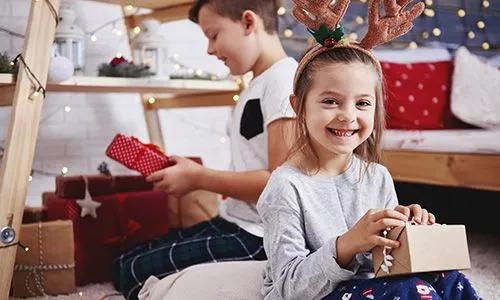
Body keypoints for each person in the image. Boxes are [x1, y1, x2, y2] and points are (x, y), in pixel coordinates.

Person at [256, 0, 481, 299]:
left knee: (449, 279)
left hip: (373, 285)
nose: (348, 116)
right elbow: (288, 287)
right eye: (330, 101)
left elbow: (385, 263)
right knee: (413, 290)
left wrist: (404, 229)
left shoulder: (377, 176)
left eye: (362, 103)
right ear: (299, 106)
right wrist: (348, 244)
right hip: (319, 293)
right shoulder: (285, 186)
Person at [111, 0, 298, 298]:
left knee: (131, 274)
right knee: (124, 263)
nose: (210, 49)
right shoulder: (258, 83)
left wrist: (199, 178)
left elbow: (280, 184)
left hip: (260, 237)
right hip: (234, 220)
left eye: (214, 35)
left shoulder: (283, 81)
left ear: (249, 23)